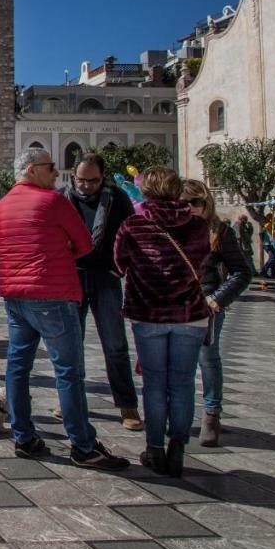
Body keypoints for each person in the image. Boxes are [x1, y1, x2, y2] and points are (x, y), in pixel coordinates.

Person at [0, 147, 128, 470]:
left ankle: (23, 437)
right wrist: (61, 246)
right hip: (53, 294)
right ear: (30, 170)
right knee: (69, 371)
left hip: (15, 296)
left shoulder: (1, 206)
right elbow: (85, 244)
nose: (57, 173)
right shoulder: (53, 202)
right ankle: (82, 445)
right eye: (51, 167)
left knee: (17, 366)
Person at [114, 167, 212, 477]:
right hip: (190, 314)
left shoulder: (132, 225)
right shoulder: (198, 226)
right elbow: (203, 261)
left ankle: (154, 448)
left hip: (148, 313)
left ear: (145, 192)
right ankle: (178, 447)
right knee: (182, 383)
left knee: (154, 384)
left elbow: (119, 264)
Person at [61, 153, 142, 431]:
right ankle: (70, 402)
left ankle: (127, 405)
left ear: (102, 177)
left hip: (106, 278)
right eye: (81, 180)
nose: (86, 186)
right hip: (73, 278)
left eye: (92, 181)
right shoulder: (62, 199)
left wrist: (119, 270)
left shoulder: (117, 199)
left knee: (115, 344)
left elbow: (131, 235)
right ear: (73, 175)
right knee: (71, 345)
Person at [181, 180, 252, 447]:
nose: (189, 208)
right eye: (183, 203)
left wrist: (217, 299)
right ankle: (179, 415)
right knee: (178, 364)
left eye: (195, 203)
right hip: (175, 305)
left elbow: (242, 272)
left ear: (205, 203)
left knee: (207, 359)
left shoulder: (219, 232)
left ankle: (211, 413)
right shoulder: (171, 231)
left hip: (206, 304)